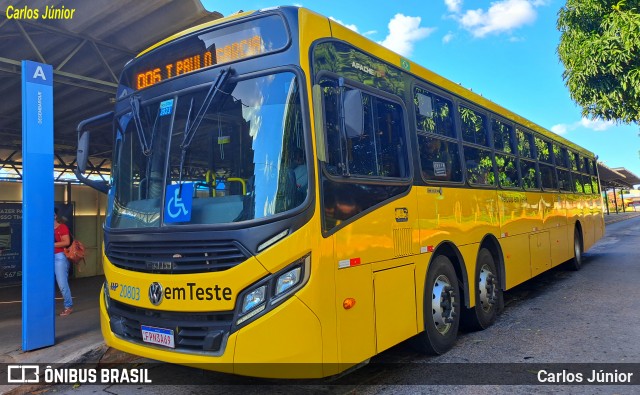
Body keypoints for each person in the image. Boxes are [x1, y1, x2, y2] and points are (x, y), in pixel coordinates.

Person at [54, 208, 73, 316]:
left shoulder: (62, 227)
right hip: (46, 258)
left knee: (62, 283)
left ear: (55, 216)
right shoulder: (45, 228)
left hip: (59, 257)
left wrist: (50, 245)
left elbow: (66, 242)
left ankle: (68, 306)